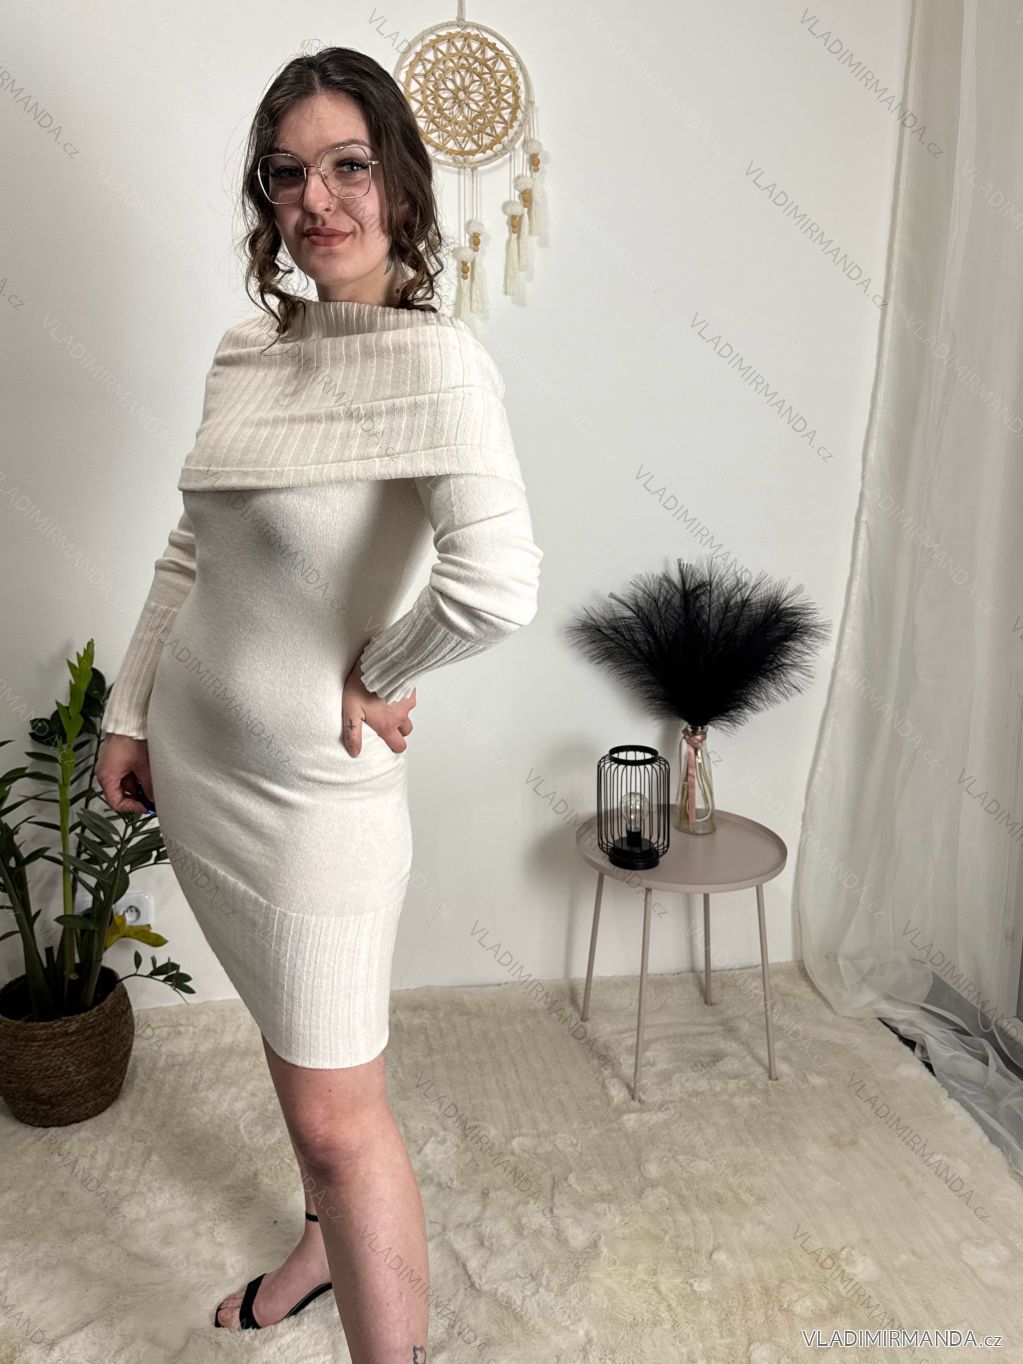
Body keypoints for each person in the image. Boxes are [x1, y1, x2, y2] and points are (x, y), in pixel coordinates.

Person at [96, 46, 542, 1362]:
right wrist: (130, 712)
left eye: (349, 165)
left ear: (400, 181)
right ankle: (318, 1247)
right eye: (287, 174)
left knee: (345, 1123)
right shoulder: (250, 350)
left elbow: (498, 584)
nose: (318, 201)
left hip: (308, 807)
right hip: (196, 767)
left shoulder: (439, 367)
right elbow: (194, 546)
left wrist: (382, 672)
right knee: (302, 1067)